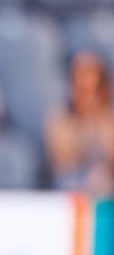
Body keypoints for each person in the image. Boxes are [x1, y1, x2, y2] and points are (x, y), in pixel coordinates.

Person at [43, 49, 114, 197]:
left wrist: (99, 119)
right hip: (71, 187)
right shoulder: (60, 118)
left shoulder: (109, 118)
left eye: (93, 89)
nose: (87, 97)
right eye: (81, 89)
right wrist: (84, 125)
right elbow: (62, 162)